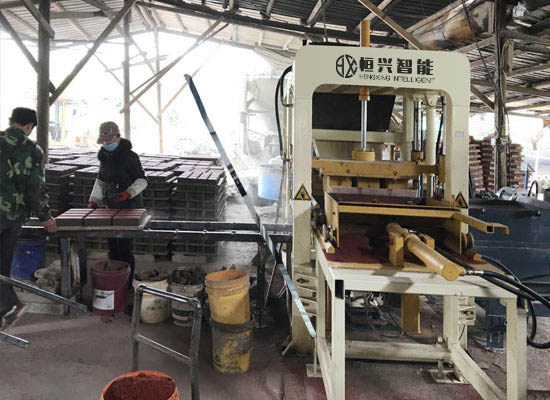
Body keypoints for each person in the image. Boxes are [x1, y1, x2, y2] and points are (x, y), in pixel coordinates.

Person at [0, 107, 57, 329]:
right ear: (29, 126)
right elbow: (35, 188)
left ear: (11, 121)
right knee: (3, 263)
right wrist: (45, 216)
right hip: (12, 217)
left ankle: (9, 306)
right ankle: (9, 307)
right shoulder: (32, 150)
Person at [88, 122, 147, 286]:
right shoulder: (105, 157)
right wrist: (94, 199)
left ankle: (126, 284)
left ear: (118, 138)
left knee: (124, 247)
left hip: (130, 207)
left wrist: (128, 193)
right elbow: (101, 181)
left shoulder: (130, 157)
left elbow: (142, 180)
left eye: (109, 142)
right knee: (113, 246)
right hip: (111, 207)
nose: (106, 145)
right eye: (104, 143)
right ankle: (114, 279)